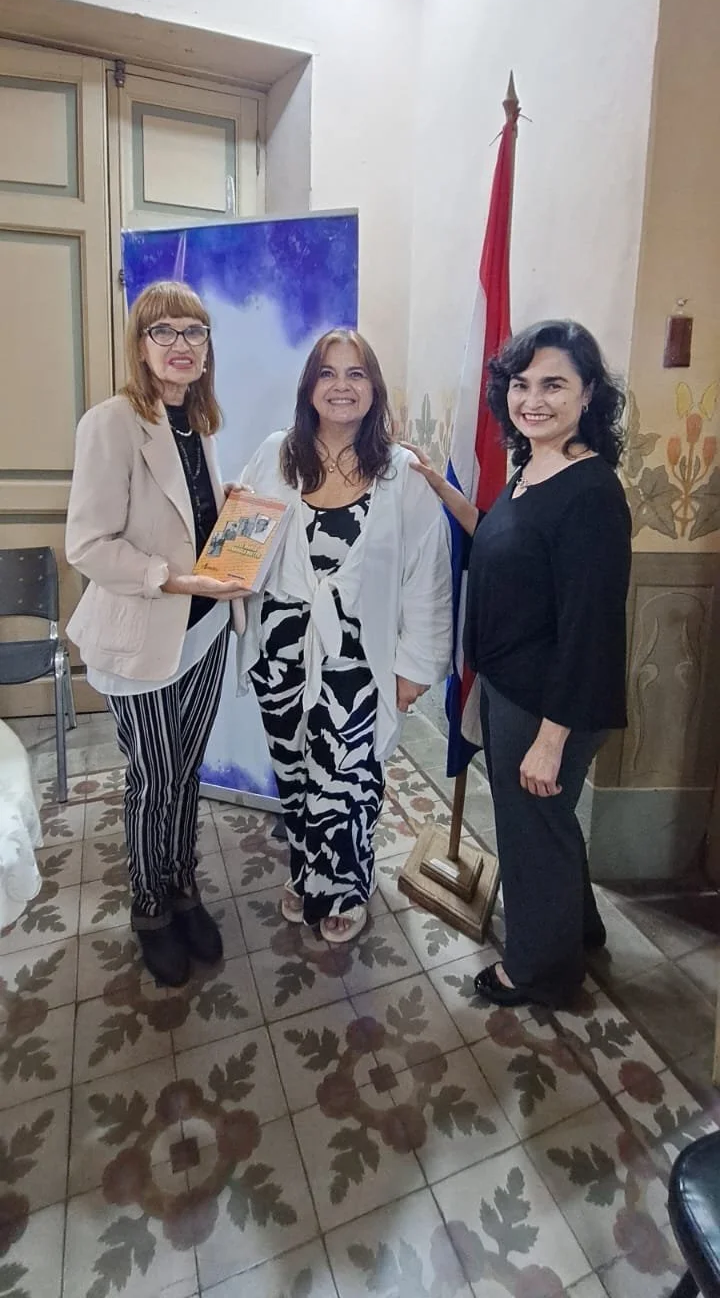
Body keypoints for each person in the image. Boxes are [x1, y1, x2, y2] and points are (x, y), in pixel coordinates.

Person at [408, 319, 631, 1008]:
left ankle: (540, 972)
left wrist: (551, 739)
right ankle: (579, 929)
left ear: (588, 394)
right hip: (515, 689)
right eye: (521, 384)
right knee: (549, 821)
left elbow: (590, 631)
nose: (533, 400)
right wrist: (439, 487)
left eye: (554, 385)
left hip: (548, 703)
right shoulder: (533, 468)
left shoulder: (591, 494)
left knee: (530, 830)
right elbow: (497, 536)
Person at [237, 328, 453, 945]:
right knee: (295, 772)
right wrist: (231, 514)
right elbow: (242, 542)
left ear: (373, 388)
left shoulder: (401, 471)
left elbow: (429, 572)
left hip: (360, 657)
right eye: (327, 373)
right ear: (309, 387)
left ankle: (345, 886)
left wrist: (415, 667)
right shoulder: (277, 455)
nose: (341, 386)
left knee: (348, 778)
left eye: (355, 373)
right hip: (281, 650)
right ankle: (307, 871)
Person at [65, 281, 247, 987]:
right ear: (140, 346)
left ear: (207, 348)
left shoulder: (199, 421)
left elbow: (182, 517)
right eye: (164, 331)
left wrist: (227, 510)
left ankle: (182, 886)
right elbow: (89, 545)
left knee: (185, 769)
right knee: (153, 777)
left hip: (203, 631)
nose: (181, 345)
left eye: (194, 332)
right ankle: (149, 905)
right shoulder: (110, 423)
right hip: (141, 634)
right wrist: (169, 580)